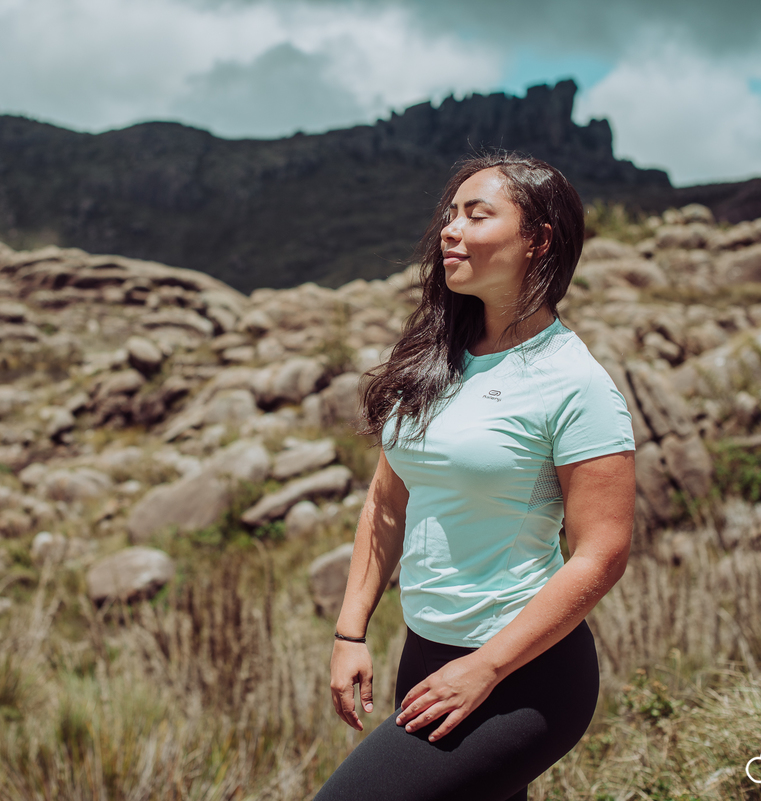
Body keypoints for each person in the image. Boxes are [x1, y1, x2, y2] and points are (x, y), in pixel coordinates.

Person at [314, 153, 637, 801]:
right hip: (427, 652)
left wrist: (486, 666)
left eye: (476, 214)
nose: (450, 230)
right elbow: (386, 498)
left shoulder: (573, 382)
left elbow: (602, 553)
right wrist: (351, 630)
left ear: (537, 240)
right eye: (451, 214)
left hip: (524, 674)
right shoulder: (434, 357)